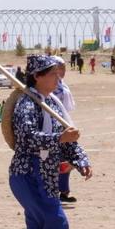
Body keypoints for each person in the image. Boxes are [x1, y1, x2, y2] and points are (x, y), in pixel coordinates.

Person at [9, 54, 92, 229]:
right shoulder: (27, 103)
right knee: (57, 223)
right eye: (52, 74)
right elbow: (26, 138)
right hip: (26, 173)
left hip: (46, 175)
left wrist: (81, 160)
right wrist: (59, 140)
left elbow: (68, 136)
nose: (58, 78)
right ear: (37, 76)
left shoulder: (54, 103)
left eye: (58, 74)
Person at [51, 56, 78, 203]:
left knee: (67, 160)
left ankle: (63, 191)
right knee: (57, 160)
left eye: (64, 68)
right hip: (54, 127)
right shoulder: (51, 86)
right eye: (61, 68)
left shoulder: (62, 84)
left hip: (64, 125)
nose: (63, 70)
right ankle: (56, 191)